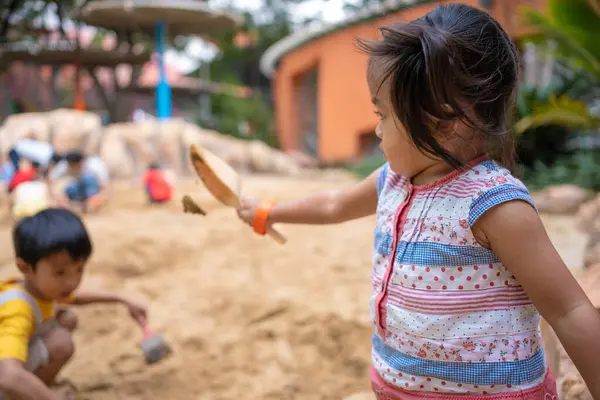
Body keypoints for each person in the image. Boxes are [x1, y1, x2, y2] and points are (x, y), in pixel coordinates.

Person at [237, 4, 600, 399]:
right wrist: (269, 212)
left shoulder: (494, 204)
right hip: (398, 385)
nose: (376, 129)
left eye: (384, 115)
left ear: (445, 120)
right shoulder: (394, 180)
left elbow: (569, 311)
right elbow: (334, 204)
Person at [0, 208, 148, 400]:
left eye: (79, 269)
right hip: (5, 377)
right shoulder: (17, 308)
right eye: (60, 273)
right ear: (25, 268)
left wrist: (120, 297)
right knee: (60, 341)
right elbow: (8, 376)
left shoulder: (39, 288)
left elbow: (75, 298)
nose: (72, 282)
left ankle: (37, 388)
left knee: (66, 318)